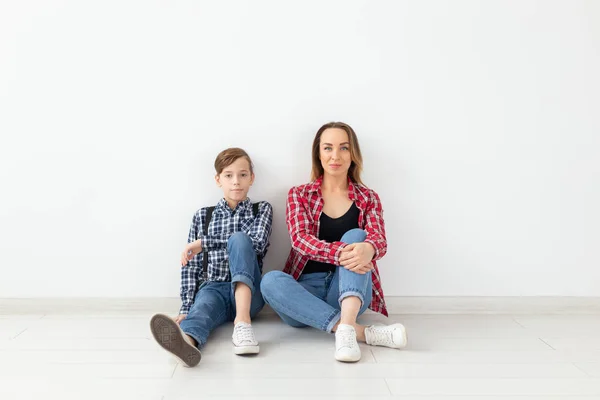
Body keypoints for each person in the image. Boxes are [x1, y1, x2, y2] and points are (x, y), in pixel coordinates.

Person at [261, 122, 407, 362]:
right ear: (319, 154)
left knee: (358, 237)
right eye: (328, 148)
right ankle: (356, 332)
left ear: (353, 154)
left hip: (349, 291)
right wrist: (342, 253)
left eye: (344, 148)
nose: (335, 156)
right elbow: (300, 241)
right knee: (269, 281)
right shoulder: (299, 194)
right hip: (303, 294)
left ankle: (346, 326)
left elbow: (379, 239)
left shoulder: (368, 197)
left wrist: (368, 248)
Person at [150, 148, 273, 367]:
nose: (236, 181)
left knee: (240, 239)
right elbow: (191, 264)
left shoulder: (261, 210)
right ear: (218, 179)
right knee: (201, 310)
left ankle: (242, 324)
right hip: (213, 287)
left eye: (243, 175)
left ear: (251, 178)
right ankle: (187, 342)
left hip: (249, 292)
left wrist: (204, 243)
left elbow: (257, 243)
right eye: (228, 175)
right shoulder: (202, 216)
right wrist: (186, 306)